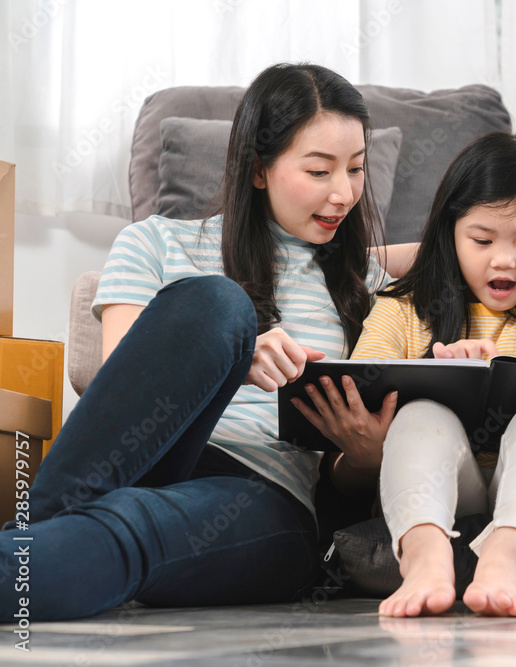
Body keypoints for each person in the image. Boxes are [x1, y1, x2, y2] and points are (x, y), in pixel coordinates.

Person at [0, 63, 396, 620]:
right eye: (319, 170)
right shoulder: (154, 241)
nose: (344, 193)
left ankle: (36, 539)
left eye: (356, 169)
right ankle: (44, 530)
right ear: (259, 170)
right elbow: (120, 397)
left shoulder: (370, 292)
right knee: (218, 303)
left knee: (130, 527)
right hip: (140, 457)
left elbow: (457, 249)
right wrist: (234, 357)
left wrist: (365, 456)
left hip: (264, 498)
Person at [294, 132, 516, 618]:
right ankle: (424, 557)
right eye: (481, 240)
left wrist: (493, 370)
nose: (504, 259)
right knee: (419, 411)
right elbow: (359, 402)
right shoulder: (402, 306)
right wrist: (437, 376)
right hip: (446, 488)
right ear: (449, 233)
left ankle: (510, 556)